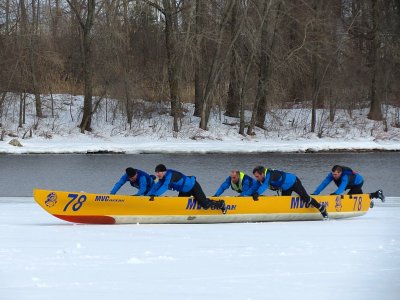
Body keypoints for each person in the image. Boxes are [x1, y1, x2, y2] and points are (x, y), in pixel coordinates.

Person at [252, 166, 328, 220]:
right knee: (284, 202)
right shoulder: (262, 177)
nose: (257, 178)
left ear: (262, 174)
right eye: (255, 176)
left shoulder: (269, 174)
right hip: (285, 187)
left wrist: (257, 193)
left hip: (294, 182)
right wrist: (248, 194)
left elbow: (265, 185)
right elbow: (256, 185)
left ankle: (321, 208)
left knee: (306, 198)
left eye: (257, 176)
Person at [146, 164, 227, 214]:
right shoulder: (162, 178)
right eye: (156, 172)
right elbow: (156, 186)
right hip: (184, 190)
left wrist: (155, 195)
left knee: (205, 204)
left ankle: (221, 204)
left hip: (193, 186)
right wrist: (148, 195)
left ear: (163, 172)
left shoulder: (170, 175)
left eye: (158, 172)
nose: (157, 174)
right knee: (180, 204)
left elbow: (165, 187)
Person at [312, 165, 384, 207]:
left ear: (340, 173)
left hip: (357, 183)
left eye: (336, 174)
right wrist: (315, 193)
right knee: (360, 196)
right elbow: (324, 183)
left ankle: (372, 197)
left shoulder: (345, 176)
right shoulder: (332, 175)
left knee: (349, 197)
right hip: (349, 183)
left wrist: (336, 194)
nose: (334, 176)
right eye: (333, 174)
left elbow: (342, 187)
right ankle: (375, 195)